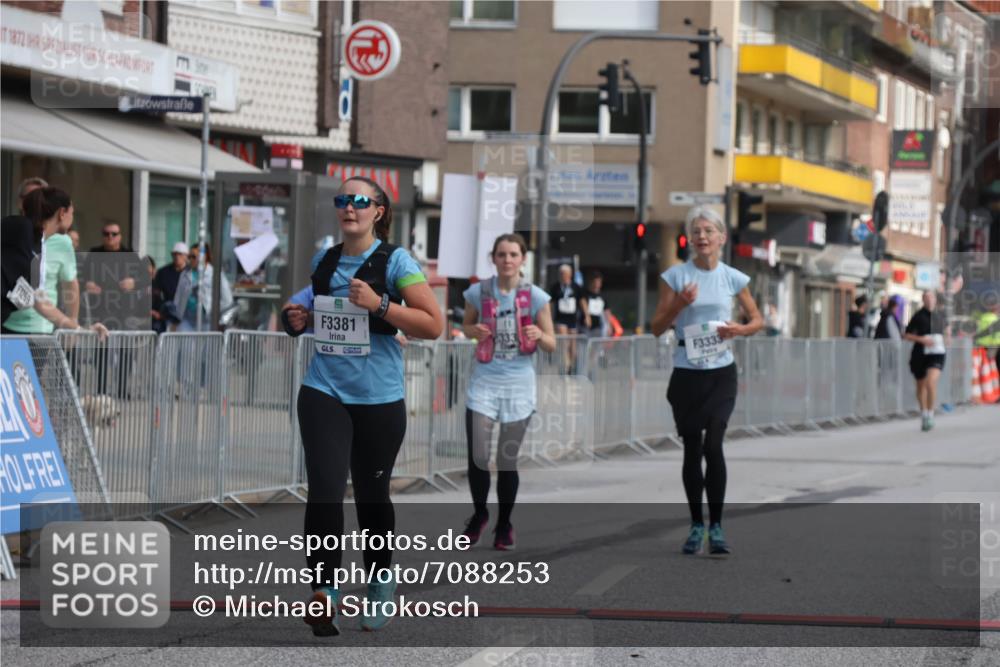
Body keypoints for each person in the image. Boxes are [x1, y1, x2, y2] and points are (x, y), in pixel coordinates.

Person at [280, 176, 443, 636]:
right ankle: (324, 591)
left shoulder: (397, 262)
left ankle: (378, 580)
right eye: (342, 200)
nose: (348, 207)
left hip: (378, 398)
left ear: (378, 211)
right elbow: (307, 311)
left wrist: (380, 304)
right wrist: (298, 318)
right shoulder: (325, 260)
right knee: (325, 490)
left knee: (372, 498)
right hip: (324, 389)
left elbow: (433, 325)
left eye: (359, 201)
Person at [650, 205, 763, 556]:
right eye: (696, 231)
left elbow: (757, 318)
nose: (702, 237)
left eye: (708, 231)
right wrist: (680, 305)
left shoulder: (733, 277)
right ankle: (696, 524)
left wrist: (740, 329)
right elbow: (656, 327)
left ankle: (716, 526)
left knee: (713, 444)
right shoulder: (675, 277)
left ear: (721, 238)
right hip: (687, 372)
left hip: (721, 372)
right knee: (692, 449)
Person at [460, 233, 556, 551]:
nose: (507, 260)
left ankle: (504, 524)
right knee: (477, 456)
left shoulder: (536, 296)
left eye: (513, 254)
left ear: (522, 259)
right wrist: (473, 331)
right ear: (494, 258)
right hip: (485, 381)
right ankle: (479, 515)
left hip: (518, 384)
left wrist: (539, 333)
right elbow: (465, 327)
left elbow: (551, 342)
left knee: (506, 459)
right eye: (501, 254)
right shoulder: (478, 292)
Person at [2, 186, 107, 338]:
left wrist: (80, 329)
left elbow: (41, 303)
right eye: (72, 213)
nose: (73, 218)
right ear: (62, 213)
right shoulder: (21, 226)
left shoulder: (41, 247)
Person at [2, 177, 48, 328]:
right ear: (20, 202)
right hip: (10, 324)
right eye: (30, 198)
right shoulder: (13, 228)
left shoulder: (60, 240)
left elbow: (70, 283)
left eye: (40, 198)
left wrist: (72, 323)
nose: (35, 203)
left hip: (42, 325)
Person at [904, 291, 947, 431]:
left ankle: (930, 414)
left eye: (931, 297)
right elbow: (906, 334)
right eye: (926, 297)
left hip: (937, 353)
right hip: (921, 353)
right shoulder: (918, 315)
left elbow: (947, 331)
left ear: (935, 299)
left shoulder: (941, 315)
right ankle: (923, 413)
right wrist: (921, 339)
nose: (929, 300)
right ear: (923, 299)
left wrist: (946, 339)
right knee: (921, 386)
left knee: (930, 382)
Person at [170, 244, 232, 332]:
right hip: (187, 319)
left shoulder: (216, 274)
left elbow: (227, 300)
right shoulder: (184, 274)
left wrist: (215, 313)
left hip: (207, 321)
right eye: (189, 256)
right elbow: (177, 298)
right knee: (185, 345)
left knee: (205, 345)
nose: (190, 259)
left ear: (204, 257)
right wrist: (175, 319)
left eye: (193, 257)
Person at [547, 263, 584, 372]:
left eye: (564, 274)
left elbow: (582, 301)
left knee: (572, 344)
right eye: (561, 274)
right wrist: (548, 315)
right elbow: (551, 303)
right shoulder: (555, 287)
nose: (562, 276)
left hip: (572, 319)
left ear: (570, 274)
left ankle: (571, 365)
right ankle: (565, 364)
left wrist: (586, 315)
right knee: (563, 342)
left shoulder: (576, 287)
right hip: (560, 318)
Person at [151, 242, 188, 334]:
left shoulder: (191, 273)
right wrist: (157, 312)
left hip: (186, 316)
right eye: (174, 254)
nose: (177, 257)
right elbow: (156, 293)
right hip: (166, 315)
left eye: (180, 254)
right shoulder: (163, 272)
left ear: (186, 256)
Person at [583, 270, 611, 337]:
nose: (597, 285)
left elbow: (607, 311)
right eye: (595, 282)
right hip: (584, 327)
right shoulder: (584, 295)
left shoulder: (603, 297)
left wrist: (609, 325)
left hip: (598, 327)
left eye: (599, 282)